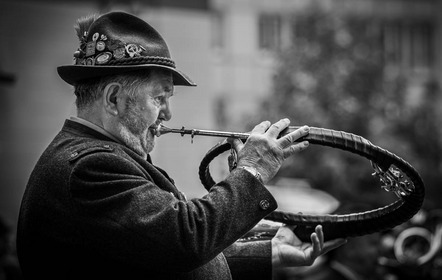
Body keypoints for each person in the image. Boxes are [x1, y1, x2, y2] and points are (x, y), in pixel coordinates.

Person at [16, 11, 346, 279]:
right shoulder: (90, 166)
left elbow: (158, 253)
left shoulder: (97, 156)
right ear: (114, 98)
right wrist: (251, 171)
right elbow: (185, 239)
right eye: (159, 98)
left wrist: (270, 253)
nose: (168, 113)